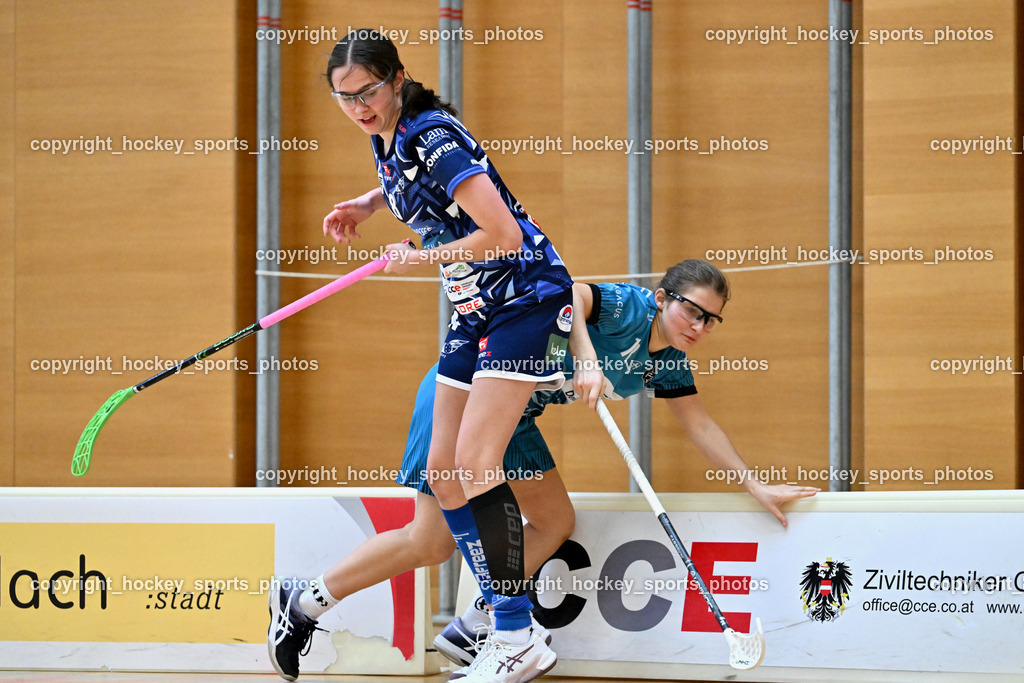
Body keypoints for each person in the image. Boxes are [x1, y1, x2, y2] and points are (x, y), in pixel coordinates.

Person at [267, 257, 819, 681]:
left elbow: (700, 425)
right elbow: (568, 292)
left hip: (515, 420)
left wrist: (753, 484)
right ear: (662, 298)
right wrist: (587, 359)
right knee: (430, 543)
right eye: (691, 310)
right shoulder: (628, 308)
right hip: (463, 397)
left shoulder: (668, 362)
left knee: (555, 520)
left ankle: (481, 622)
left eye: (711, 320)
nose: (699, 325)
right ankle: (304, 601)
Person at [270, 28, 574, 683]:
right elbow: (416, 186)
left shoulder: (433, 135)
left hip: (524, 298)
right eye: (345, 97)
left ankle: (515, 633)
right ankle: (504, 627)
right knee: (443, 471)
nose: (359, 107)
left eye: (369, 92)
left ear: (398, 79)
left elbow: (504, 233)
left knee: (476, 461)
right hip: (475, 309)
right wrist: (368, 203)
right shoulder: (388, 136)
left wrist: (422, 257)